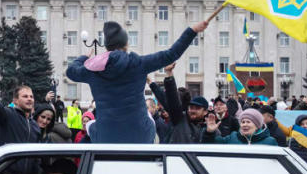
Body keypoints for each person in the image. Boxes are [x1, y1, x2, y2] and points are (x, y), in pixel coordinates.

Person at [65, 19, 208, 143]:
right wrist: (193, 30)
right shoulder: (138, 63)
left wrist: (84, 58)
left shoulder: (93, 69)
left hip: (106, 136)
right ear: (126, 43)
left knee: (90, 125)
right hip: (140, 134)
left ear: (107, 45)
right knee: (149, 118)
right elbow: (171, 54)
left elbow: (71, 71)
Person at [203, 108, 280, 145]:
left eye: (248, 122)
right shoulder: (232, 137)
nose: (244, 124)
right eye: (243, 122)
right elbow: (211, 146)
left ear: (257, 126)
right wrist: (209, 133)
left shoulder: (270, 141)